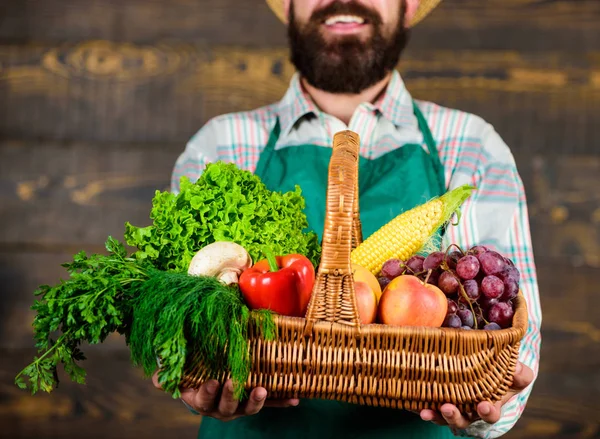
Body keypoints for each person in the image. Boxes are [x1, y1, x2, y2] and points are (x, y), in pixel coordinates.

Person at [156, 0, 542, 437]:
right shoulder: (219, 146)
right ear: (288, 6)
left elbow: (513, 340)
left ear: (409, 6)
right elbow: (178, 323)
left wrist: (489, 407)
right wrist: (189, 377)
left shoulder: (472, 146)